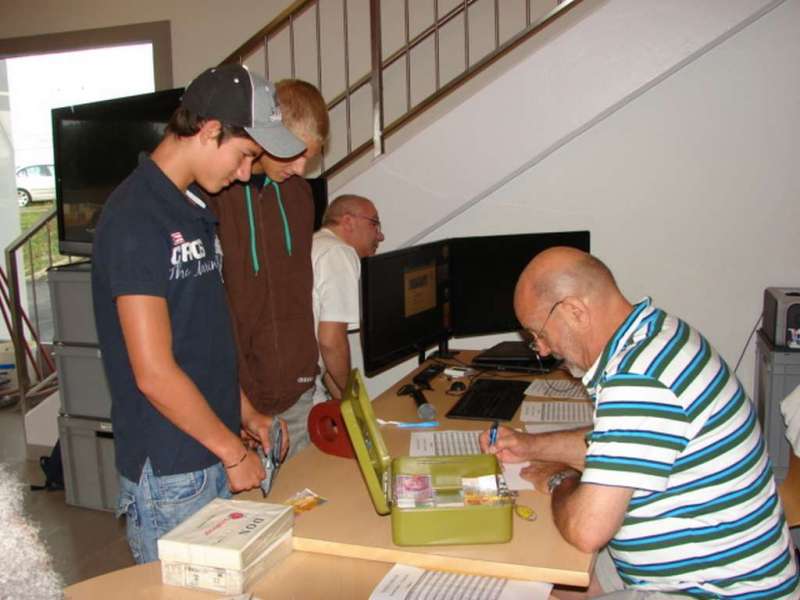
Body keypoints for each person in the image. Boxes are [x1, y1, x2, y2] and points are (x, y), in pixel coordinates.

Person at [481, 247, 799, 598]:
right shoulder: (658, 333)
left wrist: (560, 479)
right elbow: (618, 442)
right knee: (535, 585)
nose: (540, 349)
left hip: (717, 591)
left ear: (574, 311)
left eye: (537, 333)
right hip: (678, 570)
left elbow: (588, 530)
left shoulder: (640, 377)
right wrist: (530, 446)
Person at [92, 64, 301, 563]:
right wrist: (232, 451)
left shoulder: (191, 207)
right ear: (210, 132)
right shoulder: (135, 219)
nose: (246, 173)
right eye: (245, 155)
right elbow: (155, 374)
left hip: (208, 446)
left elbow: (201, 339)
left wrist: (246, 413)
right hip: (172, 468)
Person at [207, 79, 329, 461]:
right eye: (292, 154)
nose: (301, 168)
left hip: (297, 396)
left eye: (309, 157)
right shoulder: (215, 196)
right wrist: (236, 405)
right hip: (237, 406)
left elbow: (294, 292)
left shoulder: (299, 194)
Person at [311, 195, 384, 401]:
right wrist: (354, 397)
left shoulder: (317, 244)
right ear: (348, 221)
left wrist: (350, 405)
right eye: (375, 224)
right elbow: (331, 342)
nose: (380, 236)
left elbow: (326, 361)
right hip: (298, 389)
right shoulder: (338, 252)